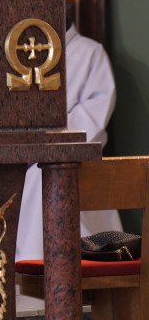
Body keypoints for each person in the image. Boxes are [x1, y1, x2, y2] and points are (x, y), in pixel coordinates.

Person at [16, 14, 122, 260]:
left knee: (42, 178)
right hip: (22, 153)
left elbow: (95, 113)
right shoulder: (21, 53)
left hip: (74, 158)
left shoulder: (90, 53)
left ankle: (46, 265)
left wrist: (49, 140)